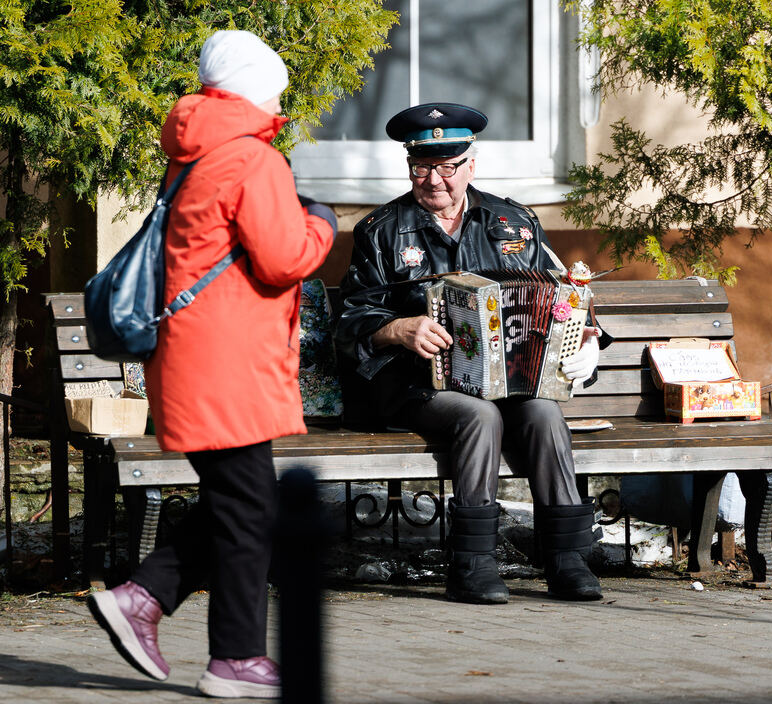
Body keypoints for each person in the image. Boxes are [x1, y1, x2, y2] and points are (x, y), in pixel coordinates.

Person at [87, 30, 337, 699]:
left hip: (197, 358)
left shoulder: (194, 154)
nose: (280, 101)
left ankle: (146, 599)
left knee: (240, 501)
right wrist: (322, 224)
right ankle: (232, 656)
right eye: (277, 89)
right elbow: (285, 258)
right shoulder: (253, 160)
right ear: (257, 88)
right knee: (251, 504)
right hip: (226, 363)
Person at [334, 102, 607, 605]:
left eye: (446, 167)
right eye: (421, 167)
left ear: (471, 164)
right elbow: (351, 320)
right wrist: (398, 328)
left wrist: (585, 342)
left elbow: (566, 295)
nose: (433, 180)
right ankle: (473, 562)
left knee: (545, 413)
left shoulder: (516, 222)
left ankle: (566, 558)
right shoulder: (381, 231)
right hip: (418, 384)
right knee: (478, 416)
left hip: (511, 381)